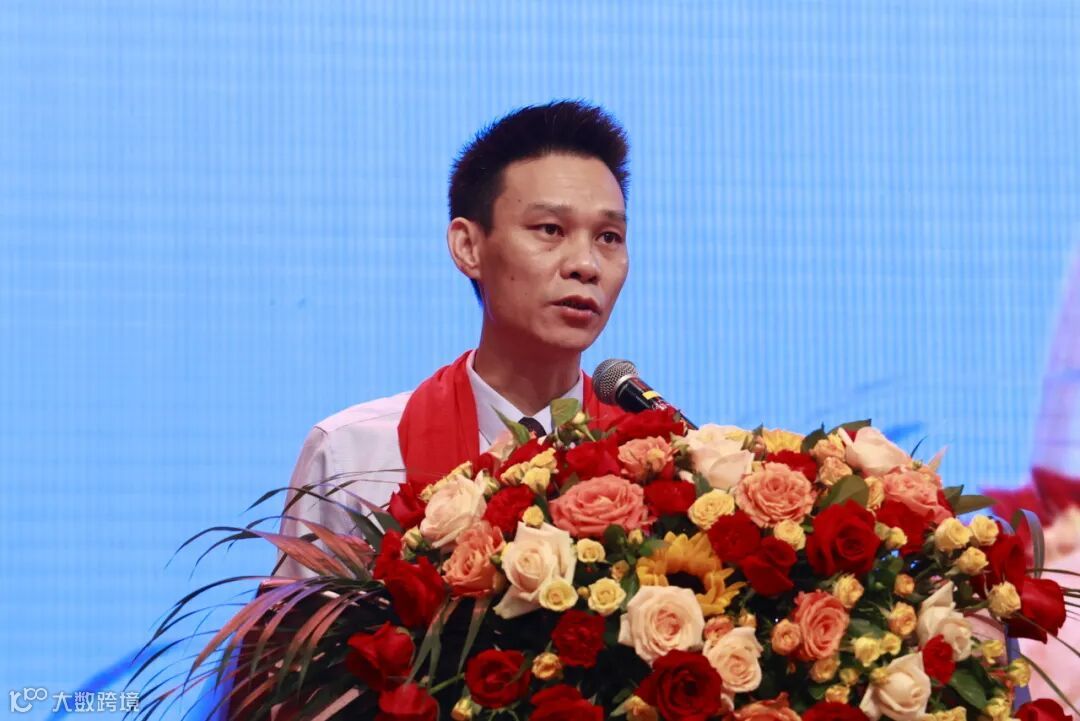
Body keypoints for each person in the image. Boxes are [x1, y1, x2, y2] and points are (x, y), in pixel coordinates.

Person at [275, 100, 632, 578]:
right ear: (468, 247)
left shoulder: (666, 463)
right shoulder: (354, 456)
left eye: (608, 237)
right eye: (550, 229)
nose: (586, 265)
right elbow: (296, 628)